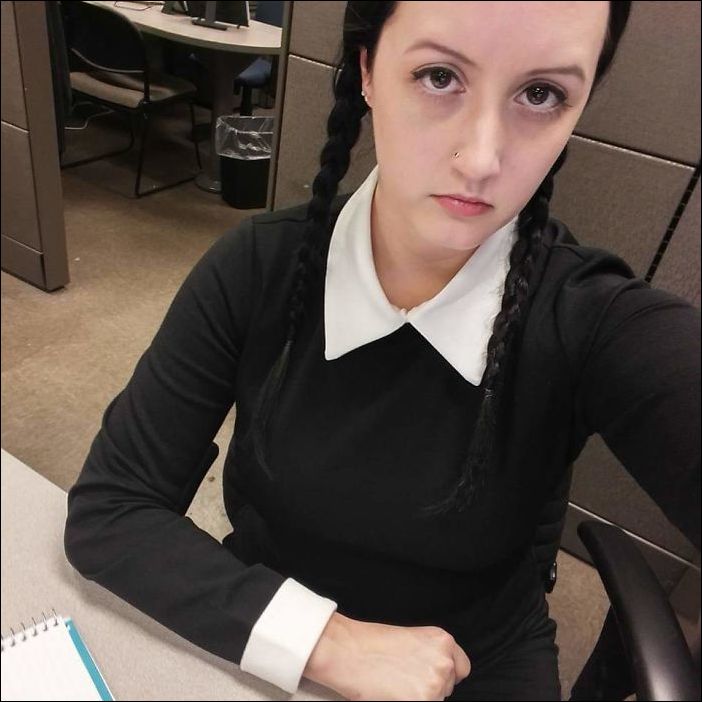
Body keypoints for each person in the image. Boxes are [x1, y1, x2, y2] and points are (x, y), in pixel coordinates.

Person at [64, 2, 700, 700]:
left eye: (541, 94)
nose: (481, 159)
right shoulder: (258, 267)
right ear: (367, 70)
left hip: (478, 664)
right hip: (266, 628)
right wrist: (327, 642)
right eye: (439, 76)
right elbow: (112, 509)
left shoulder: (593, 319)